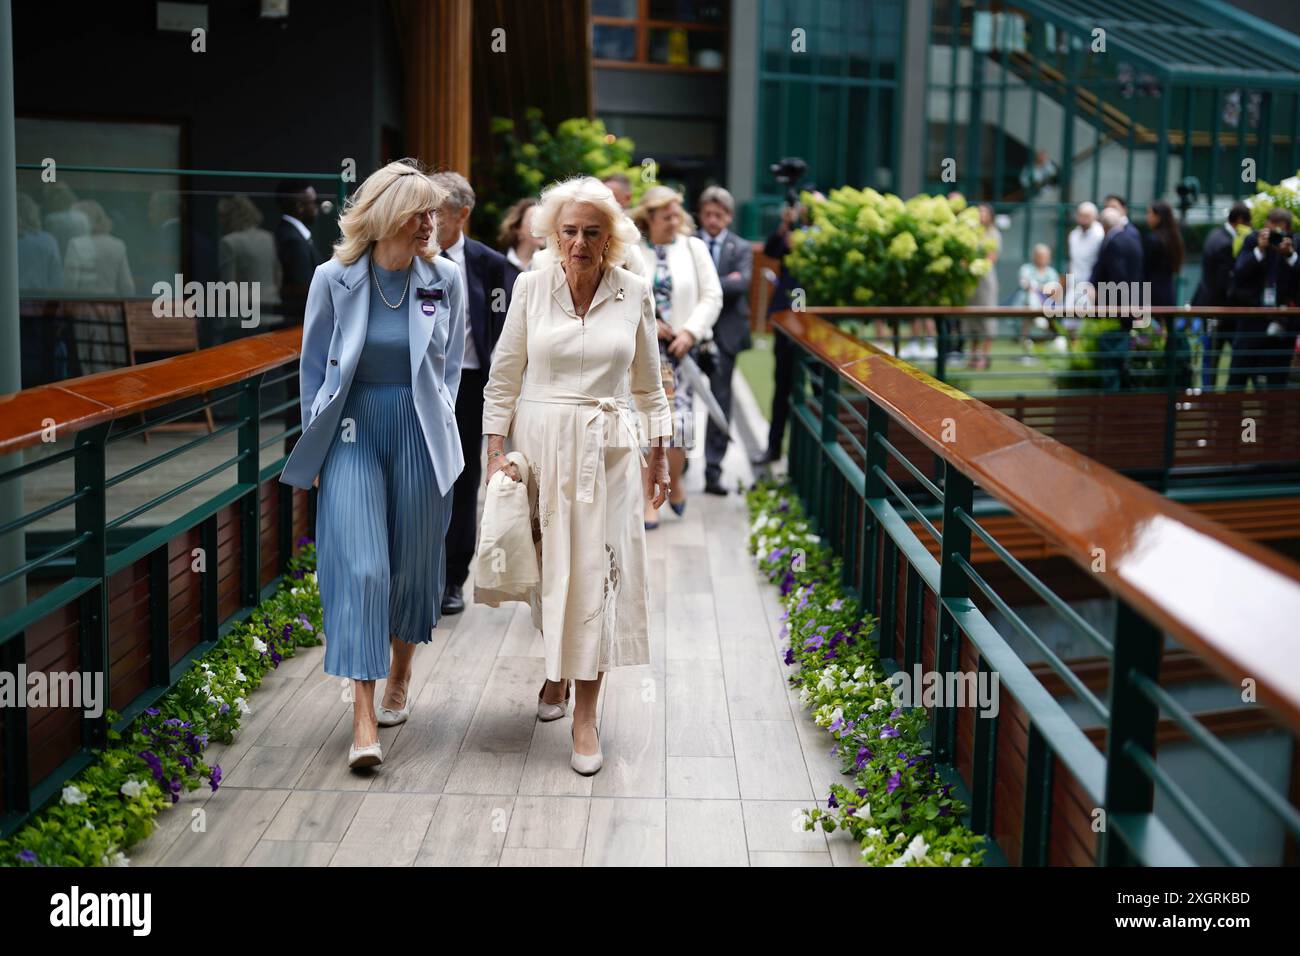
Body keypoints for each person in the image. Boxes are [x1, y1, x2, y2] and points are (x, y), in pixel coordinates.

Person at [480, 176, 672, 775]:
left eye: (593, 232)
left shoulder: (635, 290)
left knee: (600, 574)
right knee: (550, 576)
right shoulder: (531, 289)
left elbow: (648, 383)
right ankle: (556, 672)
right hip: (541, 447)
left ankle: (586, 716)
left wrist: (660, 454)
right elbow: (504, 375)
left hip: (610, 451)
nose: (581, 242)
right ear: (551, 234)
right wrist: (495, 455)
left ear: (611, 237)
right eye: (570, 231)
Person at [279, 159, 466, 769]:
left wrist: (440, 426)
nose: (430, 224)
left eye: (433, 213)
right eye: (420, 213)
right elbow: (313, 371)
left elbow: (449, 373)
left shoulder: (446, 279)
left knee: (414, 565)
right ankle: (362, 722)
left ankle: (400, 678)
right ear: (386, 217)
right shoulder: (333, 278)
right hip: (352, 432)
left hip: (417, 430)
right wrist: (322, 444)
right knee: (360, 567)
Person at [429, 170, 517, 616]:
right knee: (419, 477)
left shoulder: (490, 264)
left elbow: (507, 325)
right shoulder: (411, 256)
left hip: (467, 385)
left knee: (462, 481)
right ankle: (414, 573)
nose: (426, 218)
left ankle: (451, 578)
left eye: (437, 210)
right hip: (418, 386)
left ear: (461, 214)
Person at [631, 185, 721, 527]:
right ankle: (647, 500)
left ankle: (675, 482)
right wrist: (650, 321)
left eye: (677, 215)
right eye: (666, 216)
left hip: (682, 354)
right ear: (649, 217)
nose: (674, 221)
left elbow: (712, 296)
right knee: (644, 426)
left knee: (679, 427)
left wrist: (690, 331)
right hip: (643, 352)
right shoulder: (635, 250)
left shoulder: (693, 248)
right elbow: (624, 293)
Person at [695, 185, 753, 495]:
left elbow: (741, 283)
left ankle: (713, 471)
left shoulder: (740, 248)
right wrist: (721, 282)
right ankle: (681, 463)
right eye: (707, 214)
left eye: (719, 215)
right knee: (683, 401)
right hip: (691, 332)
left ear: (728, 217)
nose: (713, 220)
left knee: (720, 401)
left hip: (726, 333)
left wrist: (704, 284)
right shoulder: (689, 246)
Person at [1227, 207, 1300, 389]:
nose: (1274, 237)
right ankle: (1229, 416)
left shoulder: (1295, 244)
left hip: (1282, 323)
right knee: (1238, 376)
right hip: (1252, 321)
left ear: (1288, 231)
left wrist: (1290, 255)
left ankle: (1274, 417)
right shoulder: (1253, 240)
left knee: (1277, 381)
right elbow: (1239, 272)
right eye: (1271, 231)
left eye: (1279, 232)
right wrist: (1259, 250)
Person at [64, 199, 134, 374]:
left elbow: (70, 285)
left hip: (84, 311)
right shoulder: (117, 245)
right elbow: (127, 287)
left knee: (88, 361)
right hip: (112, 311)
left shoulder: (76, 244)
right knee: (112, 358)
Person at [1193, 202, 1252, 387]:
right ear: (1241, 221)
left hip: (1212, 309)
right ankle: (1214, 398)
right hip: (1221, 312)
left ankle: (1209, 395)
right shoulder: (1226, 244)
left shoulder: (1215, 235)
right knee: (1217, 356)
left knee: (1211, 358)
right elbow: (1223, 284)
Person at [217, 195, 282, 335]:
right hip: (271, 310)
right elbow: (278, 275)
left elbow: (228, 285)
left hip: (242, 315)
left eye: (222, 216)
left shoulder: (229, 242)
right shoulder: (269, 237)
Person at [275, 180, 323, 324]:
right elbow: (302, 288)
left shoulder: (295, 236)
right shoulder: (293, 240)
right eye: (314, 201)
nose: (317, 207)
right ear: (300, 206)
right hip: (298, 322)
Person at [1091, 205, 1144, 330]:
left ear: (1104, 226)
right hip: (1134, 296)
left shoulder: (1113, 242)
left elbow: (1117, 274)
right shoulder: (1133, 238)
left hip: (1118, 301)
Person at [966, 203, 1000, 370]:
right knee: (972, 320)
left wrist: (977, 265)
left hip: (986, 281)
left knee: (987, 319)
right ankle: (973, 356)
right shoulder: (971, 232)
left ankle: (984, 357)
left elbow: (991, 258)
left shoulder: (994, 234)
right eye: (979, 212)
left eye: (985, 212)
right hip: (971, 282)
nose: (981, 215)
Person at [1015, 243, 1061, 362]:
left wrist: (1038, 287)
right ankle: (1027, 354)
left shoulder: (1051, 272)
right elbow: (1025, 285)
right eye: (1040, 256)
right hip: (1027, 306)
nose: (1042, 258)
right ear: (1034, 256)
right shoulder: (1026, 268)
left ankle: (1040, 350)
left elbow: (1054, 290)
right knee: (1031, 299)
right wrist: (1041, 288)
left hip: (1047, 307)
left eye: (1045, 256)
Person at [1142, 200, 1183, 308]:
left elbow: (1145, 269)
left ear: (1158, 217)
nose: (1147, 217)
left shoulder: (1153, 240)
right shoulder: (1174, 239)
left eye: (1149, 213)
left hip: (1152, 295)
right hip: (1168, 292)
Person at [1067, 201, 1104, 316]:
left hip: (1091, 286)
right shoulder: (1073, 235)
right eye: (1081, 215)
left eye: (1087, 216)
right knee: (1068, 320)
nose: (1083, 219)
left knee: (1085, 324)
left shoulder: (1100, 235)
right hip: (1073, 285)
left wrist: (1096, 287)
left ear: (1095, 217)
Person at [498, 197, 544, 272]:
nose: (541, 227)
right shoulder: (497, 263)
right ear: (517, 228)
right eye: (534, 221)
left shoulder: (551, 266)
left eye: (544, 222)